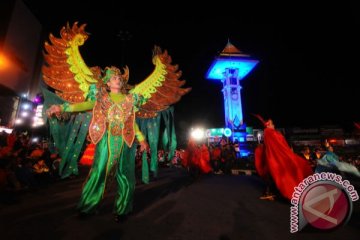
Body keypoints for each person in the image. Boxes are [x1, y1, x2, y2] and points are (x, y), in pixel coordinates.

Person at [47, 66, 149, 221]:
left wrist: (141, 139)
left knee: (125, 175)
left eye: (120, 78)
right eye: (114, 78)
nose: (118, 80)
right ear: (107, 83)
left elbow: (132, 122)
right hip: (105, 140)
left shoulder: (130, 99)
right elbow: (83, 105)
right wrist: (62, 107)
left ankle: (122, 210)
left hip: (125, 142)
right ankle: (88, 206)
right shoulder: (101, 98)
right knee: (99, 172)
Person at [253, 116, 313, 201]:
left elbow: (273, 146)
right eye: (272, 123)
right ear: (268, 125)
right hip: (274, 159)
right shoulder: (271, 132)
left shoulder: (268, 133)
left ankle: (271, 192)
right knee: (282, 174)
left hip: (272, 159)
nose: (274, 125)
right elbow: (279, 145)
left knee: (273, 176)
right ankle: (271, 192)